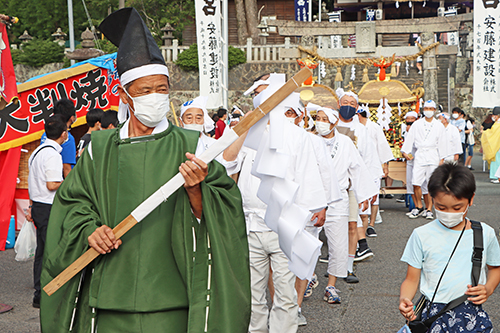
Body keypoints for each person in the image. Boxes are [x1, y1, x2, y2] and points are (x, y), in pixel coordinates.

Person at [40, 8, 250, 332]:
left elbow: (225, 209)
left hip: (171, 298)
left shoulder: (192, 143)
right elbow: (73, 205)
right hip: (109, 297)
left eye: (162, 89)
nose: (155, 97)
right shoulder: (99, 148)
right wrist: (89, 230)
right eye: (144, 91)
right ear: (123, 94)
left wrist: (197, 189)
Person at [225, 75, 329, 330]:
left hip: (285, 223)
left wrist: (314, 211)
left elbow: (307, 175)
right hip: (249, 224)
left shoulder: (298, 137)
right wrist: (248, 125)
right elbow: (227, 162)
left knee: (285, 293)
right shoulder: (246, 133)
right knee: (252, 292)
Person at [399, 163, 500, 332]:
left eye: (457, 208)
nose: (449, 213)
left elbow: (495, 268)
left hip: (470, 314)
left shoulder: (484, 233)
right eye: (441, 207)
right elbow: (411, 278)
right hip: (433, 316)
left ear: (471, 199)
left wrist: (488, 288)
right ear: (431, 199)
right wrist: (405, 299)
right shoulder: (421, 234)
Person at [315, 107, 375, 304]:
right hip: (312, 197)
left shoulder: (345, 142)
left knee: (338, 244)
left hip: (338, 198)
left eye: (325, 119)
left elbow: (356, 168)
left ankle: (331, 285)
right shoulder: (309, 140)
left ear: (333, 123)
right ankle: (307, 278)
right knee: (307, 243)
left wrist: (363, 194)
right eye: (317, 118)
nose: (320, 122)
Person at [335, 88, 380, 266]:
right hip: (332, 181)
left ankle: (349, 260)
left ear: (357, 107)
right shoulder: (329, 125)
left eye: (352, 104)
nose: (348, 106)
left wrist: (369, 190)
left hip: (353, 182)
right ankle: (338, 256)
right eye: (345, 103)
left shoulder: (361, 131)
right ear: (338, 104)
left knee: (352, 221)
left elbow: (369, 161)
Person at [27, 114, 66, 308]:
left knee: (42, 251)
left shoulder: (37, 152)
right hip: (48, 207)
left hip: (38, 205)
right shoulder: (52, 155)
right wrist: (68, 183)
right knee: (50, 250)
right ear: (64, 134)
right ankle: (46, 293)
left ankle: (39, 292)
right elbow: (52, 184)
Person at [401, 100, 448, 219]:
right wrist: (406, 151)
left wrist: (442, 158)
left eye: (430, 109)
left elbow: (442, 142)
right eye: (426, 108)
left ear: (434, 110)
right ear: (423, 110)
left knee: (431, 184)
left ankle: (429, 209)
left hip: (433, 154)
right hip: (420, 154)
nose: (428, 111)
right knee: (416, 182)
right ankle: (418, 206)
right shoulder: (417, 124)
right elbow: (410, 138)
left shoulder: (439, 125)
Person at [357, 106, 394, 237]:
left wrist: (385, 165)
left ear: (360, 115)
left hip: (373, 164)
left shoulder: (374, 127)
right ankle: (360, 224)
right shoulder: (353, 126)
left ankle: (371, 225)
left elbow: (382, 145)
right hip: (358, 166)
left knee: (374, 197)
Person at [179, 96, 233, 169]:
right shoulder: (174, 144)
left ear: (204, 120)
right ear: (181, 122)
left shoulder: (213, 144)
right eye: (189, 118)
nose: (194, 122)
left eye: (198, 118)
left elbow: (226, 165)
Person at [40, 98, 77, 178]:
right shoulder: (67, 138)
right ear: (72, 118)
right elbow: (67, 169)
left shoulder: (45, 134)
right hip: (57, 183)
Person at [481, 107, 500, 183]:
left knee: (496, 160)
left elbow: (492, 134)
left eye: (495, 115)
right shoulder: (497, 123)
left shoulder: (498, 124)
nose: (493, 117)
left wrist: (484, 132)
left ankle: (496, 176)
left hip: (497, 146)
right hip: (497, 144)